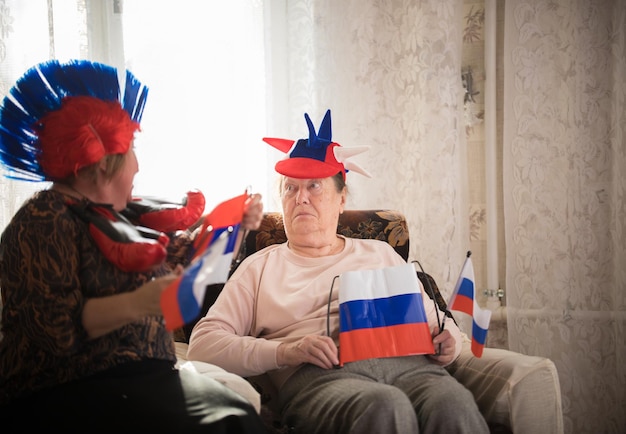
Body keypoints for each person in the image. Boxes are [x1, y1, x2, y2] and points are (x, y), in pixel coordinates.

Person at [0, 59, 266, 433]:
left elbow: (188, 257)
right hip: (65, 389)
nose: (138, 167)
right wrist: (139, 302)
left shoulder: (118, 216)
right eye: (132, 152)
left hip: (145, 378)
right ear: (103, 164)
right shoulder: (41, 222)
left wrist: (237, 224)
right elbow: (54, 328)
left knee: (240, 417)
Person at [187, 109, 490, 434]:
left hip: (413, 367)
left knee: (453, 403)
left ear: (342, 198)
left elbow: (436, 323)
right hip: (320, 376)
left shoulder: (380, 253)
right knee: (383, 405)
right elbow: (203, 346)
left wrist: (450, 344)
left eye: (314, 186)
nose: (300, 198)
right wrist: (286, 351)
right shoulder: (259, 267)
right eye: (290, 188)